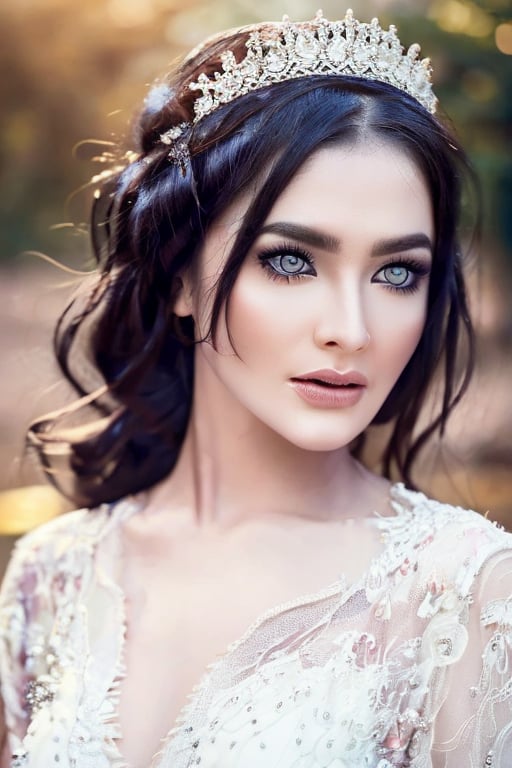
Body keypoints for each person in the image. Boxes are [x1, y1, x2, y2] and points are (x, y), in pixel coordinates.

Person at [0, 8, 511, 767]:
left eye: (397, 272)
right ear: (178, 274)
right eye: (292, 260)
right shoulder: (50, 575)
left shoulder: (469, 591)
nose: (353, 328)